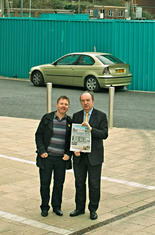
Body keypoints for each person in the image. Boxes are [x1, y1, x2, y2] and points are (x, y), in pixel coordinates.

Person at [70, 91, 108, 220]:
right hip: (79, 156)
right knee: (79, 183)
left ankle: (93, 209)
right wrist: (73, 149)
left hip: (94, 157)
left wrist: (91, 129)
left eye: (88, 100)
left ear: (92, 101)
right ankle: (79, 208)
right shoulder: (76, 116)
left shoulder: (101, 116)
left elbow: (104, 134)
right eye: (83, 101)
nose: (85, 103)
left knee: (94, 184)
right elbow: (72, 135)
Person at [35, 96, 72, 217]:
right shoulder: (47, 118)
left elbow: (73, 140)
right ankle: (44, 206)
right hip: (47, 157)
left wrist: (68, 153)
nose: (63, 106)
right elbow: (38, 135)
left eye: (66, 104)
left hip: (61, 159)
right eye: (61, 103)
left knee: (59, 184)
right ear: (56, 105)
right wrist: (41, 150)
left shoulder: (70, 122)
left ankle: (57, 206)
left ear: (68, 107)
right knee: (45, 183)